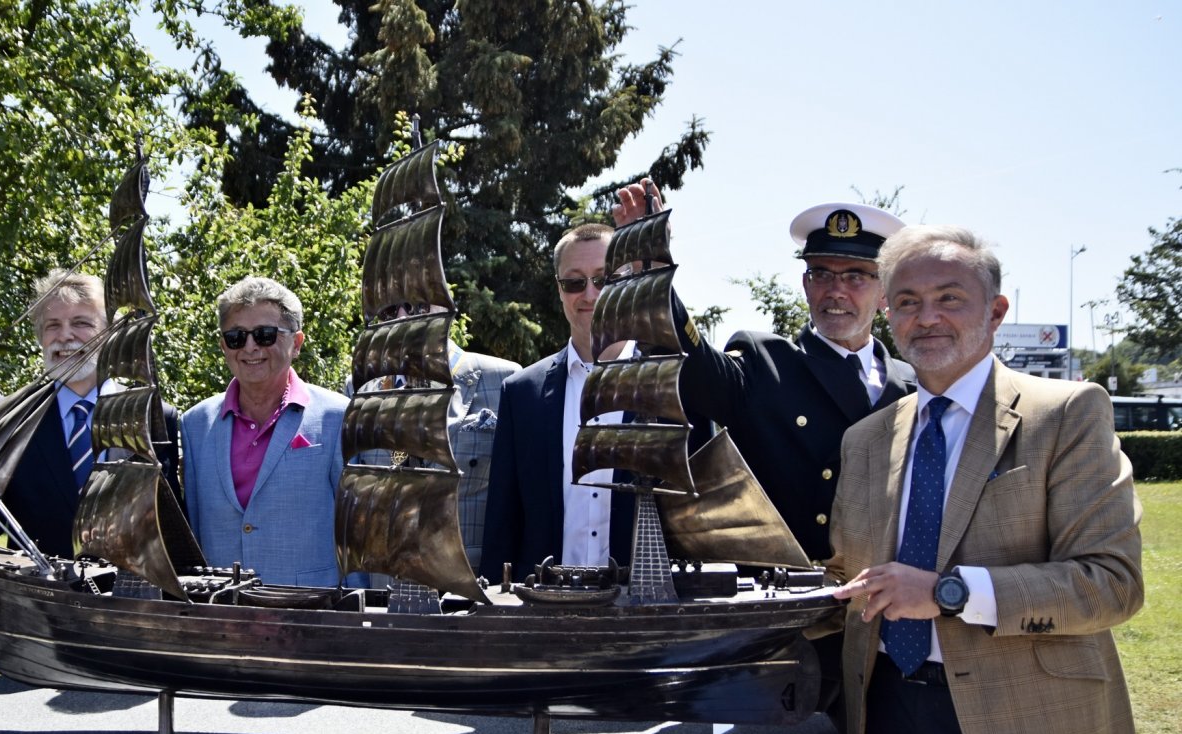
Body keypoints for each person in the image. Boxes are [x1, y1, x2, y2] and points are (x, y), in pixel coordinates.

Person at [827, 225, 1144, 734]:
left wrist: (948, 593)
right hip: (884, 723)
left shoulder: (1066, 415)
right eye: (907, 301)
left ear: (995, 312)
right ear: (887, 314)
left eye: (949, 298)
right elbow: (849, 572)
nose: (926, 317)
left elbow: (1111, 581)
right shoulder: (867, 439)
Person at [613, 187, 916, 562]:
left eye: (856, 277)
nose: (836, 291)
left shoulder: (912, 386)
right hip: (787, 603)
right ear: (806, 285)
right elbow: (689, 362)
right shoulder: (766, 364)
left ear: (884, 291)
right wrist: (655, 271)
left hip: (883, 604)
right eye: (821, 274)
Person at [0, 269, 180, 558]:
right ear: (41, 338)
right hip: (41, 597)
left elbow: (171, 520)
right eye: (52, 325)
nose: (65, 336)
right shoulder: (11, 423)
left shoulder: (153, 417)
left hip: (127, 597)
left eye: (81, 322)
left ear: (111, 334)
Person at [181, 276, 364, 587]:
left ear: (296, 343)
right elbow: (196, 530)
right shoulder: (195, 424)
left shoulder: (339, 416)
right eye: (237, 337)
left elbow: (356, 533)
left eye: (265, 335)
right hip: (223, 615)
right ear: (224, 345)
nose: (250, 347)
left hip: (311, 613)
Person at [480, 223, 636, 582]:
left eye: (603, 278)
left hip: (648, 616)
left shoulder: (670, 384)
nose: (590, 294)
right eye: (575, 282)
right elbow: (503, 523)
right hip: (545, 616)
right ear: (559, 290)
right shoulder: (521, 393)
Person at [346, 304, 519, 572]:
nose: (404, 318)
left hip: (472, 588)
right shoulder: (359, 389)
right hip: (386, 590)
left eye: (417, 306)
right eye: (390, 311)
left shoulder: (505, 379)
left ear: (446, 305)